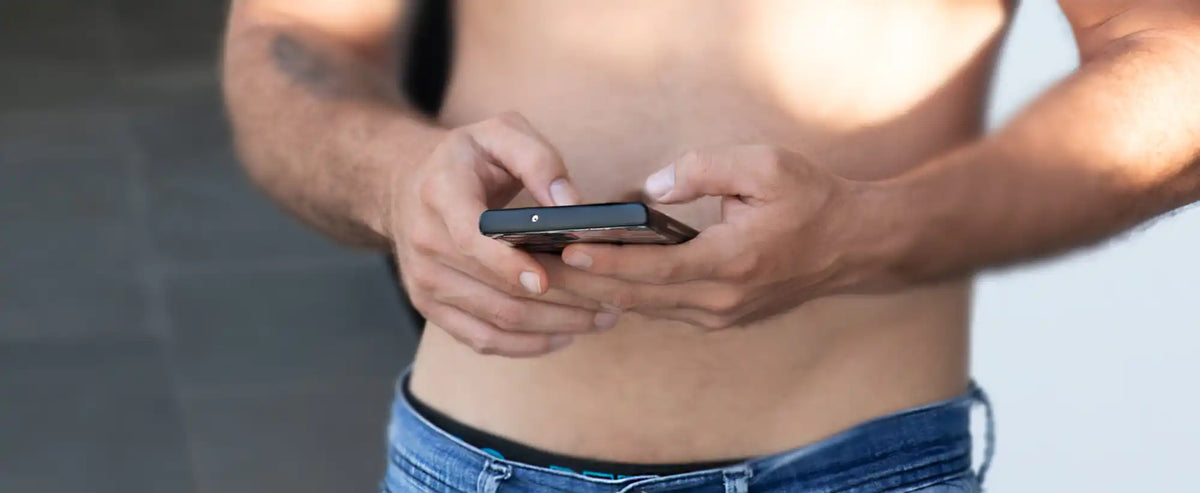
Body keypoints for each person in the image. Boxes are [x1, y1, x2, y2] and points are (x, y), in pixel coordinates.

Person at [221, 0, 1200, 491]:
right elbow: (290, 38)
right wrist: (396, 181)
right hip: (478, 465)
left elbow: (1174, 54)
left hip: (856, 463)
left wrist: (870, 233)